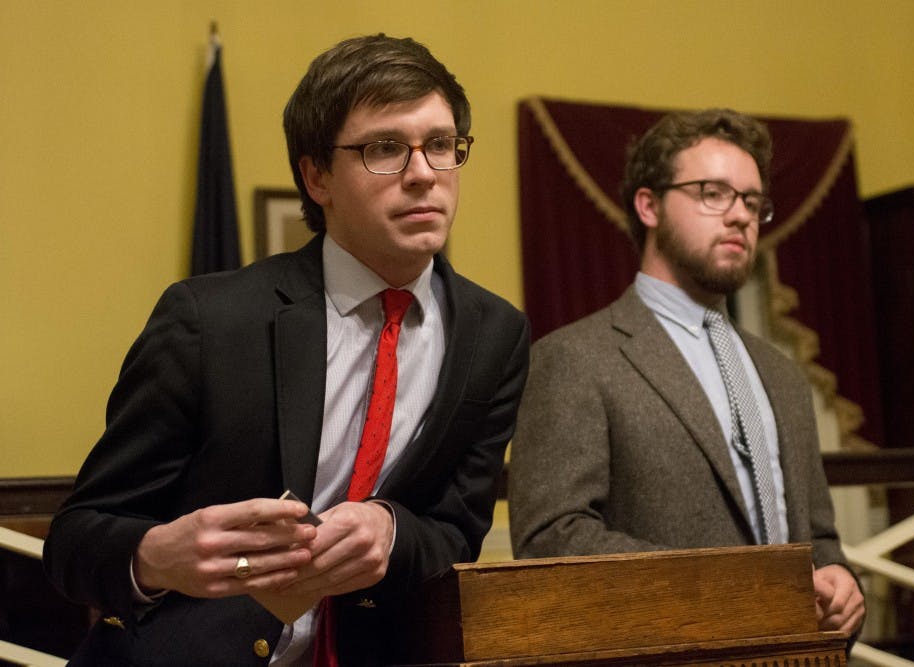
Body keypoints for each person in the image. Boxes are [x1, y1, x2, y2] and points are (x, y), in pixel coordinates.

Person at [44, 34, 529, 667]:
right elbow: (75, 542)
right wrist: (157, 556)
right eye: (385, 148)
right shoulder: (210, 320)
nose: (423, 173)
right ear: (316, 175)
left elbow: (456, 531)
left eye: (439, 145)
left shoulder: (495, 334)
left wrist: (391, 529)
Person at [508, 108, 865, 639]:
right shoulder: (575, 359)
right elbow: (551, 540)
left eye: (751, 200)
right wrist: (735, 591)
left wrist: (842, 586)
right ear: (648, 205)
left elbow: (819, 539)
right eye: (712, 193)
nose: (740, 215)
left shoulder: (782, 375)